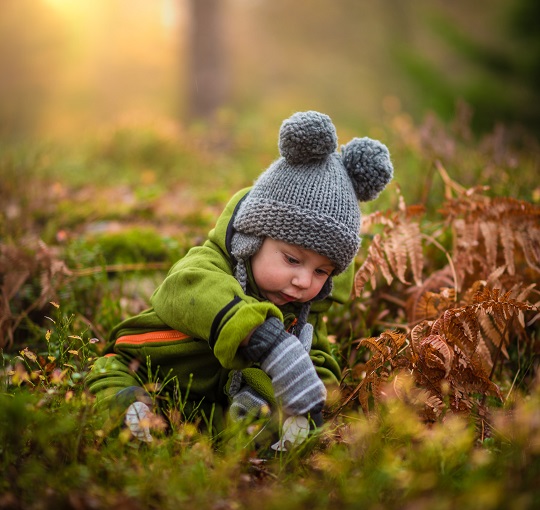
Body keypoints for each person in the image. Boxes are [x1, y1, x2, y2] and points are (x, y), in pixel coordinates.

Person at [86, 110, 393, 444]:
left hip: (206, 405)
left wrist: (310, 400)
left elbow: (317, 357)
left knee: (265, 413)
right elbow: (186, 288)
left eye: (322, 271)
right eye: (292, 260)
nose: (304, 281)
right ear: (252, 239)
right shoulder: (208, 265)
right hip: (145, 365)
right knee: (113, 380)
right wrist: (263, 337)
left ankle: (249, 431)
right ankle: (131, 414)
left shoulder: (302, 313)